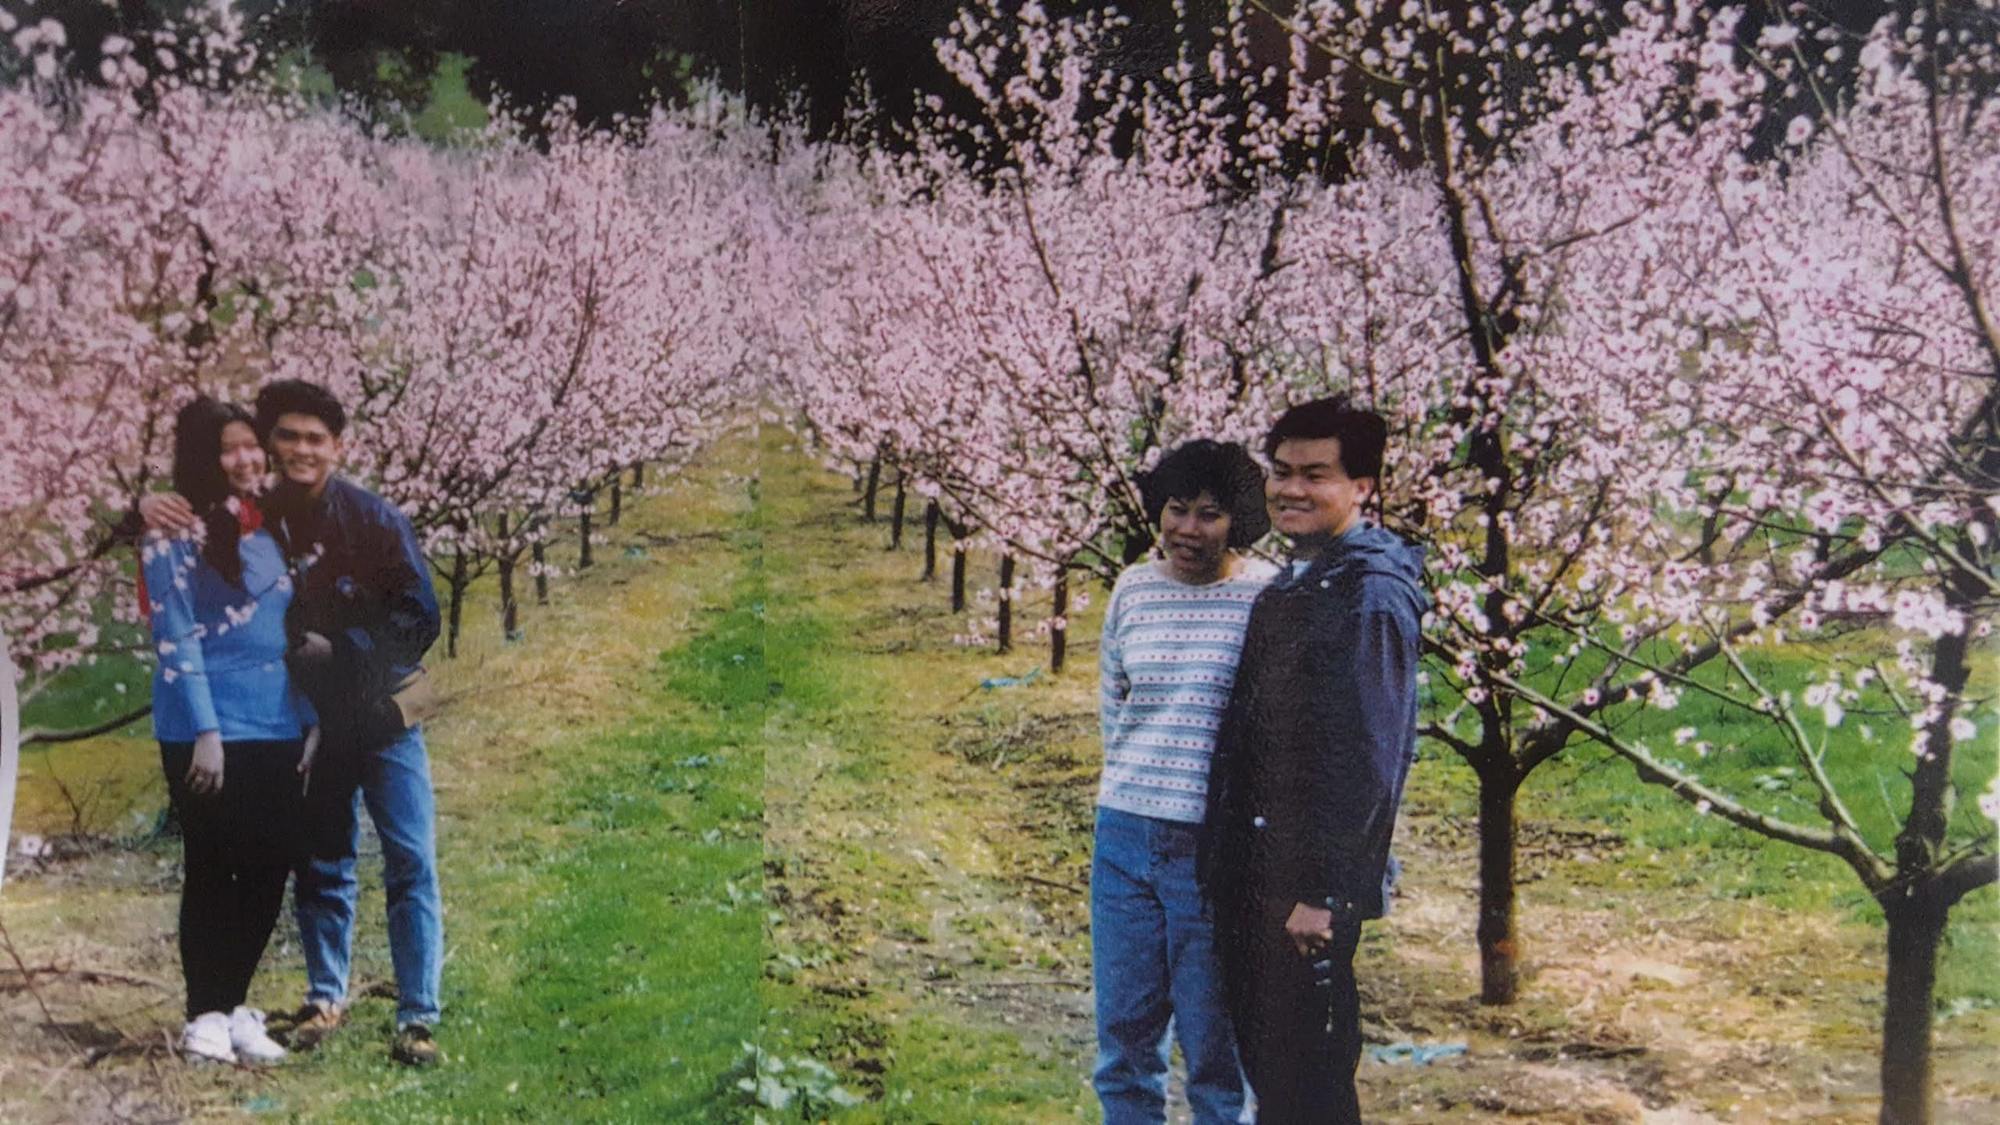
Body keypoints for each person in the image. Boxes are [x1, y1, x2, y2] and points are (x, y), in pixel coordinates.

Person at [143, 379, 445, 1067]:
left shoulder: (373, 519)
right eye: (284, 437)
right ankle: (313, 998)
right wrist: (139, 509)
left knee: (404, 856)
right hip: (289, 720)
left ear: (339, 446)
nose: (296, 450)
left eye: (316, 438)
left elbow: (420, 617)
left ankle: (418, 1012)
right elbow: (184, 543)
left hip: (378, 710)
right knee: (317, 861)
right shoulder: (259, 512)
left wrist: (343, 654)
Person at [1203, 396, 1426, 1124]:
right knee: (1284, 1082)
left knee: (1308, 1089)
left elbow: (1368, 759)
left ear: (1362, 486)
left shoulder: (1368, 595)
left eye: (1316, 474)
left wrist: (1325, 893)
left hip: (1301, 891)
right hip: (1262, 871)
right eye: (1282, 470)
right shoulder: (1306, 579)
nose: (1291, 488)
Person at [1094, 439, 1275, 1124]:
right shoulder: (1133, 588)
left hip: (1214, 850)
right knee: (1124, 1041)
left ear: (1240, 522)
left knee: (1213, 1051)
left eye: (1210, 514)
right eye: (1176, 509)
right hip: (1124, 834)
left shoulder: (1263, 597)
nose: (1188, 530)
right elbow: (1116, 703)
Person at [142, 396, 318, 1065]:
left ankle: (235, 1000)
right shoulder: (171, 533)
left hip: (276, 714)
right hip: (205, 720)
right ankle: (204, 1014)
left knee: (271, 861)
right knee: (215, 865)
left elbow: (296, 622)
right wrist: (206, 731)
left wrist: (309, 716)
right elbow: (175, 632)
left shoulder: (273, 521)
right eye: (229, 448)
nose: (246, 458)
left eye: (252, 445)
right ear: (202, 459)